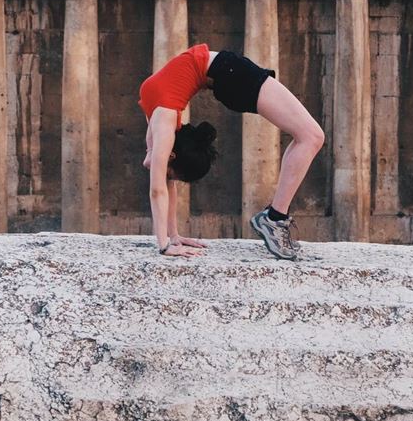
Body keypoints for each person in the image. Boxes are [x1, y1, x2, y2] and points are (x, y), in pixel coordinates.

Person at [138, 43, 325, 261]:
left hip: (229, 75)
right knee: (311, 137)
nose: (159, 172)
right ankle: (275, 218)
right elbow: (158, 179)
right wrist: (169, 240)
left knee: (309, 137)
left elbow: (159, 187)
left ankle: (274, 219)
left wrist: (168, 241)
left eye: (169, 172)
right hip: (229, 74)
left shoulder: (164, 122)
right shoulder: (163, 119)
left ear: (171, 155)